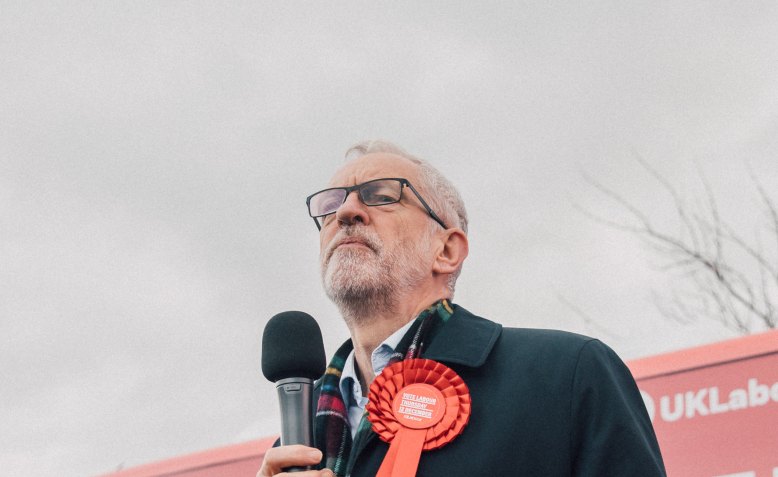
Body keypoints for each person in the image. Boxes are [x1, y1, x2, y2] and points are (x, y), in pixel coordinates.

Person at [258, 140, 666, 477]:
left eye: (380, 195)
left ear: (448, 250)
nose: (345, 212)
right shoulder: (298, 446)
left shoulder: (568, 376)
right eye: (330, 205)